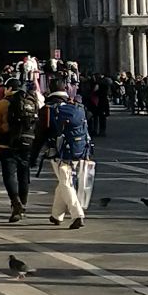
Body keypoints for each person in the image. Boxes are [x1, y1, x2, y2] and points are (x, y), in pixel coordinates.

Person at [43, 84, 91, 229]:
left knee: (66, 182)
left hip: (60, 152)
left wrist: (34, 154)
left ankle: (77, 214)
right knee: (63, 181)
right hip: (79, 149)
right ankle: (56, 214)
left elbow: (43, 132)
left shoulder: (49, 109)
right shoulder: (78, 107)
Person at [0, 83, 44, 223]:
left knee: (9, 175)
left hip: (8, 144)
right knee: (23, 174)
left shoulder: (2, 104)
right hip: (28, 142)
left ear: (9, 89)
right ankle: (23, 204)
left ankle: (15, 201)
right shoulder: (34, 101)